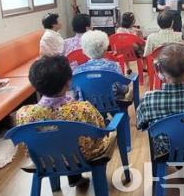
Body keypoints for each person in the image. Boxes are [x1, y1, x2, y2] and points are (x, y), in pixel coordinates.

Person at [16, 55, 115, 188]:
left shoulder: (24, 114)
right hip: (82, 158)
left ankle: (67, 181)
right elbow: (100, 131)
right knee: (83, 139)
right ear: (68, 82)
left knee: (56, 140)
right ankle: (79, 177)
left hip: (44, 160)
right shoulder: (82, 109)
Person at [73, 30, 130, 100]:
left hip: (87, 108)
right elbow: (121, 89)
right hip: (113, 105)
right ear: (105, 49)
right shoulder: (113, 66)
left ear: (84, 51)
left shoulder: (78, 70)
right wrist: (127, 87)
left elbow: (76, 95)